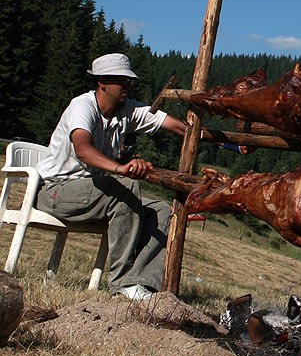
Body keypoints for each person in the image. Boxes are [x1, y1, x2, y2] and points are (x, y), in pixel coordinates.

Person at [35, 53, 188, 301]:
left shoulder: (126, 110)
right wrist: (121, 169)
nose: (127, 85)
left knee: (162, 211)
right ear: (102, 81)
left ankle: (142, 283)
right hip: (56, 191)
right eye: (121, 80)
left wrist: (231, 145)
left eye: (129, 81)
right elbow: (82, 149)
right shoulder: (83, 106)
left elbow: (180, 127)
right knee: (124, 187)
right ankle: (122, 283)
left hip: (93, 192)